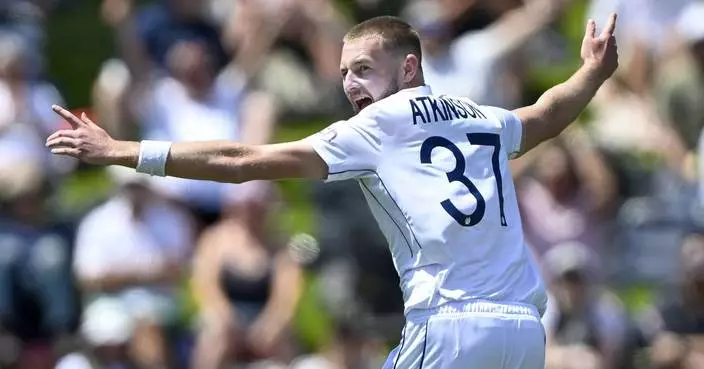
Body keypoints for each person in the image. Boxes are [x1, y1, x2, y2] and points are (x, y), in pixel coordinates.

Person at [46, 14, 619, 369]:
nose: (350, 84)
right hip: (523, 330)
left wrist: (124, 150)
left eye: (364, 68)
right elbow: (546, 115)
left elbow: (244, 161)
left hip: (452, 325)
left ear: (409, 69)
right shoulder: (482, 117)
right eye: (345, 71)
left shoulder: (379, 125)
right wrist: (591, 72)